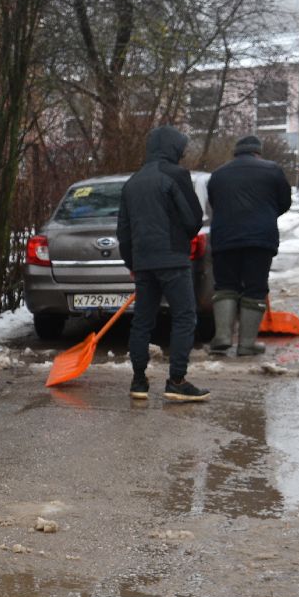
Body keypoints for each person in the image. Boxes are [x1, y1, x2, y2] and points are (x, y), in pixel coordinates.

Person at [117, 125, 210, 402]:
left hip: (143, 263)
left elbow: (123, 230)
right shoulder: (176, 175)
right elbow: (193, 218)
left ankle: (138, 381)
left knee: (142, 321)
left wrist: (133, 262)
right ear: (173, 148)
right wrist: (180, 239)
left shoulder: (132, 182)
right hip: (172, 259)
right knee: (184, 316)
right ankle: (177, 380)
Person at [205, 135, 291, 356]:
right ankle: (246, 344)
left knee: (225, 285)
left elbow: (214, 203)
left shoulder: (218, 174)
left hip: (225, 238)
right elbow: (285, 202)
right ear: (258, 152)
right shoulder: (273, 170)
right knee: (255, 288)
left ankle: (223, 336)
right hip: (260, 239)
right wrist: (266, 214)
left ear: (236, 152)